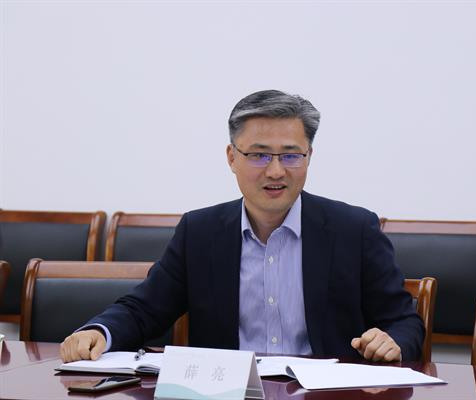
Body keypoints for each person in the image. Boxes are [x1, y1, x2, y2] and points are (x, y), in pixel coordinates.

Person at [60, 90, 424, 363]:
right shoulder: (200, 232)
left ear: (309, 157)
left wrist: (392, 341)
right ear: (232, 157)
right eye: (259, 154)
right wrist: (99, 331)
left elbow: (405, 323)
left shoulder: (354, 230)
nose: (276, 171)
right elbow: (144, 309)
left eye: (290, 155)